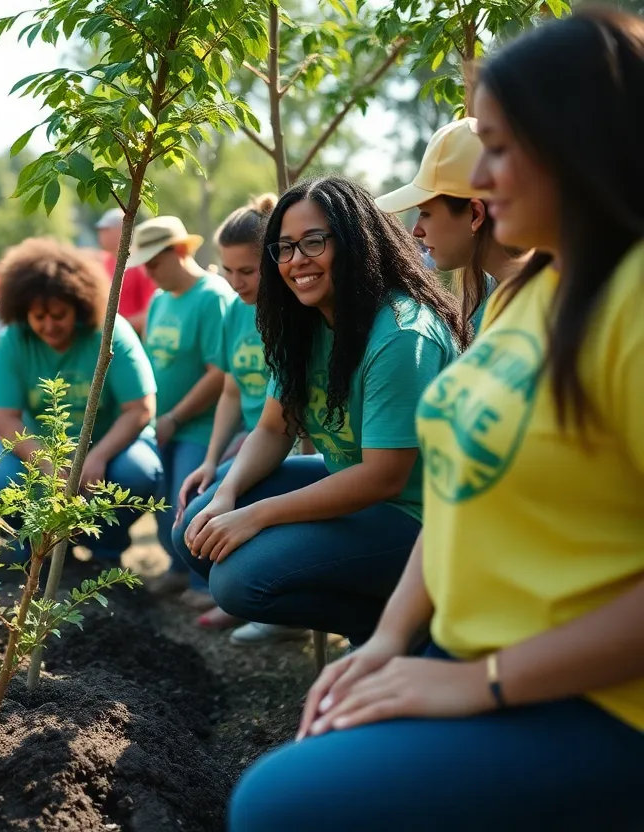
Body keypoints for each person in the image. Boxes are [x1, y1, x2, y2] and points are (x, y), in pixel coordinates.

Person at [228, 11, 644, 829]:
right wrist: (387, 643)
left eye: (498, 146)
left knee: (278, 806)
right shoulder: (530, 294)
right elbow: (460, 489)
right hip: (472, 648)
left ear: (577, 138)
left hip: (595, 699)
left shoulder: (630, 301)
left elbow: (401, 478)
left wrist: (481, 682)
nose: (480, 182)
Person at [174, 176, 464, 649]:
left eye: (313, 242)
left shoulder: (401, 334)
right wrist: (228, 495)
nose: (296, 261)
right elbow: (272, 427)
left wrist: (259, 516)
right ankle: (385, 623)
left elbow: (383, 479)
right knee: (199, 525)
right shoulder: (307, 323)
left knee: (237, 582)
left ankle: (398, 629)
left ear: (353, 242)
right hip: (358, 492)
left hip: (419, 517)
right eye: (284, 248)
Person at [0, 238, 163, 560]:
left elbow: (140, 408)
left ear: (79, 306)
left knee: (137, 472)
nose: (49, 326)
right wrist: (47, 464)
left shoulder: (110, 333)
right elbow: (3, 416)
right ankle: (37, 552)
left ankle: (105, 549)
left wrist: (98, 456)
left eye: (59, 314)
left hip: (109, 445)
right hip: (38, 448)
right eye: (39, 317)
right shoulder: (14, 339)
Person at [174, 195, 278, 634]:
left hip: (282, 444)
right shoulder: (237, 311)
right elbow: (232, 390)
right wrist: (211, 460)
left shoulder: (288, 313)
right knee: (189, 522)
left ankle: (270, 608)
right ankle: (251, 599)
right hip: (253, 439)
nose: (235, 282)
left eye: (248, 271)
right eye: (228, 270)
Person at [127, 216, 234, 617]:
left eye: (154, 263)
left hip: (200, 425)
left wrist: (174, 416)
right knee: (164, 502)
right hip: (164, 424)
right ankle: (176, 568)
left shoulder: (212, 297)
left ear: (180, 251)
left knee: (188, 503)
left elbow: (219, 372)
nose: (149, 273)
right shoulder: (159, 300)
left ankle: (205, 582)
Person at [376, 118, 530, 334]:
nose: (416, 231)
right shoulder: (503, 301)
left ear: (475, 215)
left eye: (426, 213)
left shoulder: (537, 309)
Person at [96, 207, 159, 338]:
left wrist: (121, 327)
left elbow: (151, 311)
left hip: (133, 337)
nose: (101, 234)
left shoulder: (139, 264)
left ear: (121, 230)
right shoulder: (103, 262)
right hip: (108, 336)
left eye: (106, 229)